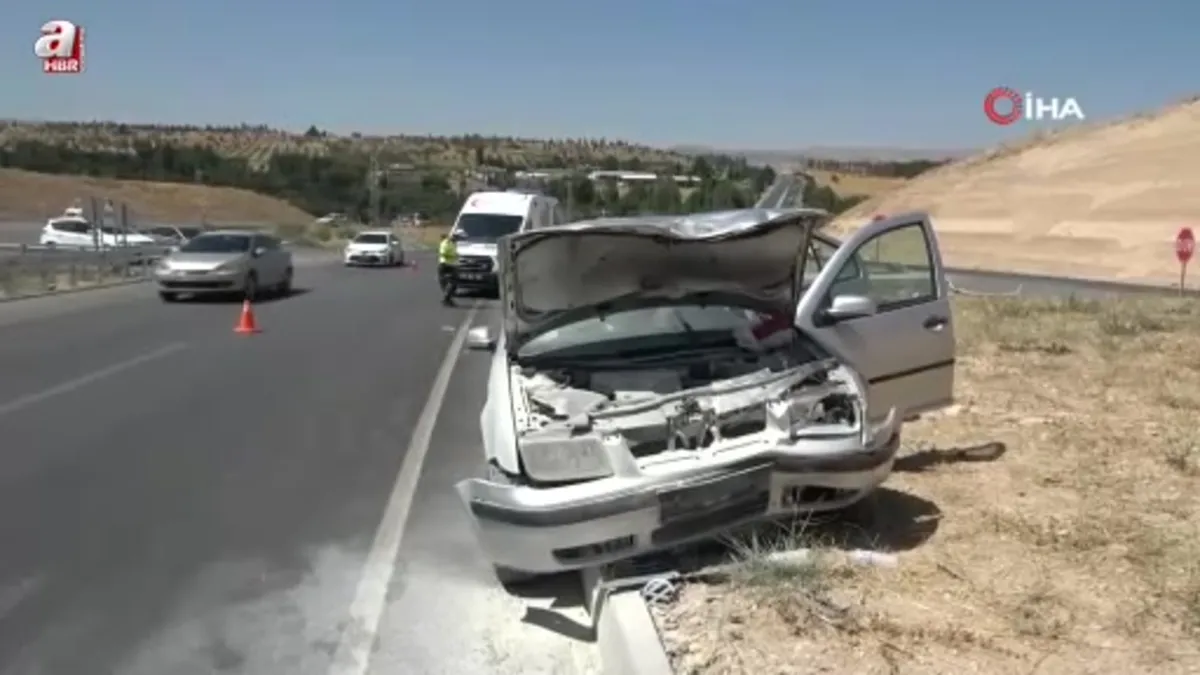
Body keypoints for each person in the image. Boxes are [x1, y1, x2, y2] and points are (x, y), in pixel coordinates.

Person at [437, 231, 460, 306]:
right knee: (451, 282)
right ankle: (446, 299)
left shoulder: (453, 243)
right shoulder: (446, 243)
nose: (457, 240)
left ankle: (447, 299)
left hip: (450, 264)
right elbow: (443, 253)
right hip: (445, 265)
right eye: (457, 238)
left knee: (453, 283)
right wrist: (453, 256)